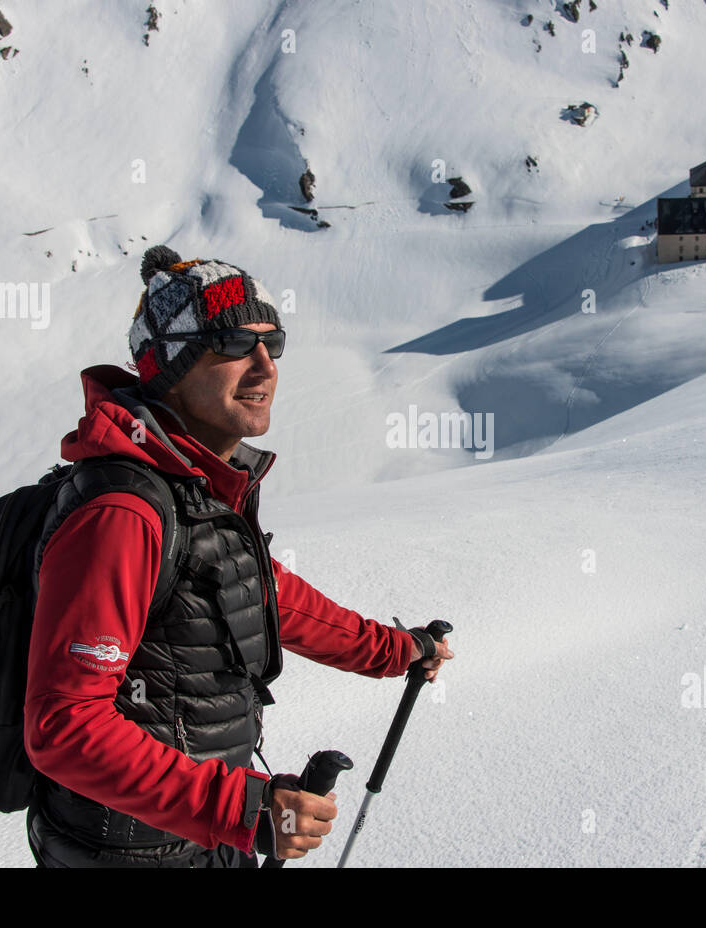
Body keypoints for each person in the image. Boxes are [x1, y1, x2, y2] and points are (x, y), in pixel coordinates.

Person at [22, 246, 453, 867]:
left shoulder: (197, 492)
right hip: (133, 855)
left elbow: (262, 594)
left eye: (271, 343)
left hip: (198, 841)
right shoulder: (125, 512)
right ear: (168, 368)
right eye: (229, 344)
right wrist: (244, 811)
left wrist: (398, 650)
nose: (263, 366)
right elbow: (64, 727)